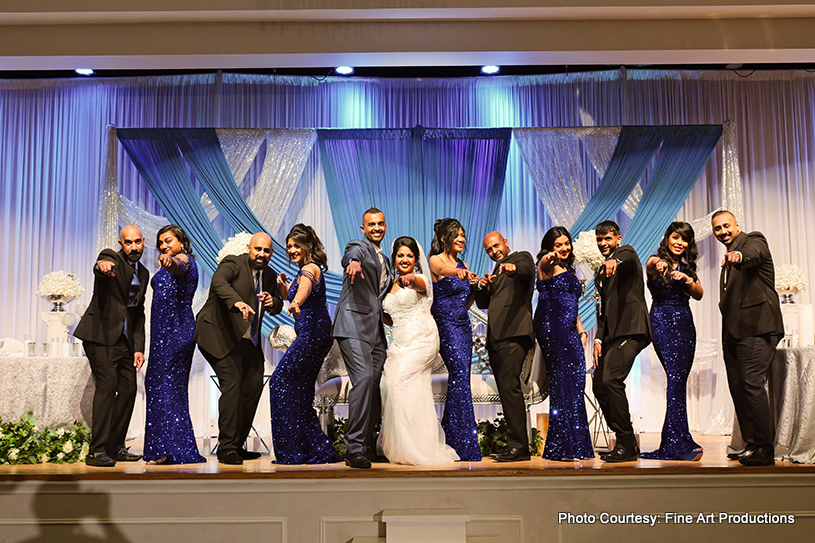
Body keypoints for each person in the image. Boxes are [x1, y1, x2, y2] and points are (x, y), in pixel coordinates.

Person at [194, 232, 284, 465]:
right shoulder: (233, 263)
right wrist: (237, 301)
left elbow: (276, 303)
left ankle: (237, 444)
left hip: (245, 339)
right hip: (217, 334)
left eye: (267, 251)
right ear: (249, 248)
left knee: (253, 383)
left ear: (271, 253)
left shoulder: (270, 275)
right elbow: (219, 283)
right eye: (258, 249)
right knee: (233, 381)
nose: (262, 254)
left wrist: (275, 303)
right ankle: (226, 448)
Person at [378, 236, 460, 465]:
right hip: (400, 342)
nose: (405, 259)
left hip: (422, 340)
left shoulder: (421, 278)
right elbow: (390, 315)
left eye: (409, 255)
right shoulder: (391, 284)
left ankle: (416, 448)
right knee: (390, 384)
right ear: (394, 258)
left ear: (416, 259)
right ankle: (402, 447)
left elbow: (417, 284)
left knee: (399, 382)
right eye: (400, 255)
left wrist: (410, 280)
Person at [712, 210, 784, 466]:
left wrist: (739, 255)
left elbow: (755, 252)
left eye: (726, 226)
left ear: (737, 225)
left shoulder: (752, 240)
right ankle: (752, 445)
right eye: (718, 229)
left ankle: (764, 449)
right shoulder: (726, 260)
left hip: (757, 327)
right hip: (734, 332)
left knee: (752, 384)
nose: (723, 232)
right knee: (739, 388)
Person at [74, 225, 149, 467]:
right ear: (120, 243)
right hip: (100, 336)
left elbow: (138, 312)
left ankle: (115, 446)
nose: (134, 247)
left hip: (124, 341)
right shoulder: (112, 258)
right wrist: (102, 266)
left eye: (137, 242)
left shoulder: (144, 273)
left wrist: (139, 347)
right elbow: (102, 262)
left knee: (128, 391)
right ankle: (96, 451)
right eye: (128, 242)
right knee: (107, 387)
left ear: (143, 242)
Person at [269, 224, 339, 464]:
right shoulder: (303, 270)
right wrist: (283, 289)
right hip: (313, 334)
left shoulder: (310, 268)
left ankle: (295, 448)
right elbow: (297, 292)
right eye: (289, 246)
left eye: (296, 245)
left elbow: (305, 288)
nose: (291, 250)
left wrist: (295, 300)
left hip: (313, 333)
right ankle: (312, 447)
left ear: (309, 246)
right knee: (299, 391)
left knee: (279, 382)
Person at [640, 222, 705, 462]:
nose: (679, 242)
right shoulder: (655, 262)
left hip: (685, 324)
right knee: (676, 379)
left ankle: (673, 443)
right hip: (661, 322)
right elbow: (648, 264)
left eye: (684, 239)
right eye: (676, 237)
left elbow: (699, 293)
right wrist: (659, 264)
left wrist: (688, 279)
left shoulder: (688, 268)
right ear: (668, 238)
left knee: (678, 382)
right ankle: (682, 442)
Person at [142, 225, 206, 465]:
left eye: (168, 240)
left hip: (176, 331)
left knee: (167, 387)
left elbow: (181, 266)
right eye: (160, 243)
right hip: (162, 334)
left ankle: (172, 448)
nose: (163, 245)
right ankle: (165, 448)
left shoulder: (183, 259)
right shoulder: (172, 259)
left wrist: (171, 261)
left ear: (181, 241)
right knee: (161, 386)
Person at [333, 208, 391, 469]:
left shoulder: (386, 260)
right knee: (364, 378)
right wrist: (352, 263)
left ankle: (368, 444)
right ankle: (354, 448)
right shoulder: (360, 246)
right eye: (371, 224)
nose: (376, 228)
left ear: (385, 226)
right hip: (353, 325)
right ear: (363, 228)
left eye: (380, 224)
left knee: (376, 385)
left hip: (376, 331)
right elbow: (350, 255)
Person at [592, 220, 651, 463]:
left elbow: (624, 257)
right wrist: (597, 339)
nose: (603, 243)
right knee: (598, 384)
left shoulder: (627, 254)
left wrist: (614, 260)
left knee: (611, 379)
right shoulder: (601, 273)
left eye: (608, 238)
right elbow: (604, 311)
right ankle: (625, 441)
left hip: (632, 330)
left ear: (618, 238)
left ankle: (626, 443)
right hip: (612, 336)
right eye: (599, 239)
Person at [534, 226, 594, 461]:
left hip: (570, 329)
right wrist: (549, 257)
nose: (564, 248)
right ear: (550, 247)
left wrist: (581, 329)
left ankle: (573, 445)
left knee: (576, 383)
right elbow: (544, 265)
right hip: (552, 328)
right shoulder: (547, 265)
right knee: (562, 385)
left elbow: (571, 303)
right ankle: (564, 447)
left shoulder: (568, 269)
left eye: (566, 243)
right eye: (558, 245)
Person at [475, 231, 536, 462]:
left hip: (515, 334)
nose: (494, 251)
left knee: (510, 388)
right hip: (497, 338)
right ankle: (515, 445)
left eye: (496, 246)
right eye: (489, 249)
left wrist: (512, 268)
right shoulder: (495, 271)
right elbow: (483, 303)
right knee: (506, 390)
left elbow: (526, 270)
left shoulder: (521, 257)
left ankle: (519, 448)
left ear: (506, 243)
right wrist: (481, 285)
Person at [429, 218, 482, 462]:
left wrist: (474, 285)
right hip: (446, 325)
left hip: (463, 324)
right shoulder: (435, 261)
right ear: (443, 238)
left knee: (461, 379)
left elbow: (467, 300)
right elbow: (443, 271)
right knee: (460, 376)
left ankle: (451, 439)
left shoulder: (464, 263)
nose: (461, 238)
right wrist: (459, 273)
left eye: (462, 234)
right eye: (456, 235)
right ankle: (463, 442)